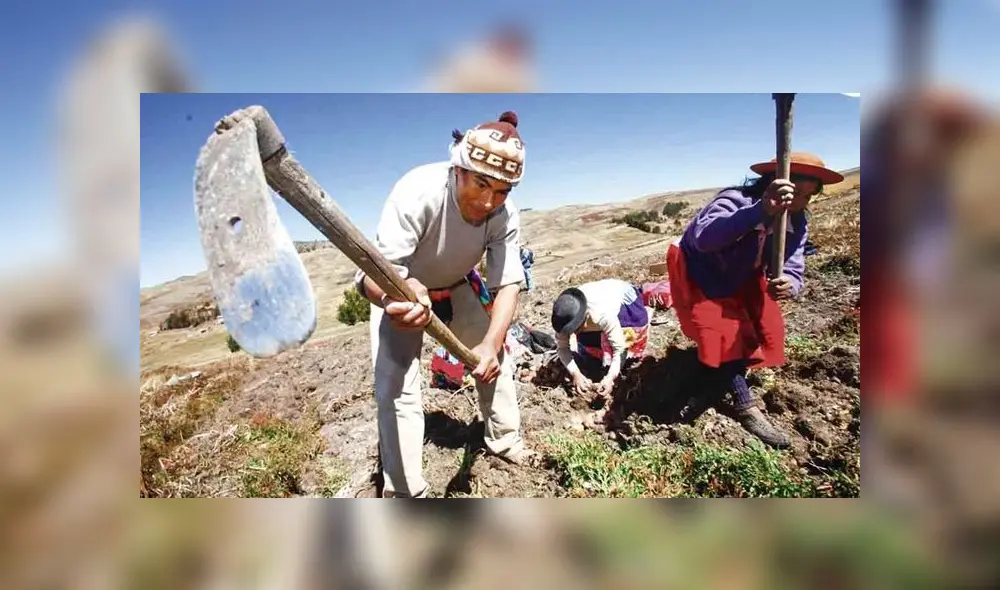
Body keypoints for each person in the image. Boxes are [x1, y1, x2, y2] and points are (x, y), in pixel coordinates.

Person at [353, 110, 535, 498]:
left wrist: (490, 344)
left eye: (502, 191)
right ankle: (403, 493)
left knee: (493, 362)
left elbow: (508, 284)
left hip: (458, 285)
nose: (488, 201)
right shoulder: (417, 192)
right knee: (397, 389)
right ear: (459, 169)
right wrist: (394, 297)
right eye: (481, 184)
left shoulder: (504, 214)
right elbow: (372, 276)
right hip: (401, 294)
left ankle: (505, 441)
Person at [666, 152, 844, 448]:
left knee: (758, 324)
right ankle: (744, 405)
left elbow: (794, 262)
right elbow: (705, 238)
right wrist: (760, 210)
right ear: (772, 184)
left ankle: (719, 376)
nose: (799, 202)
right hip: (704, 271)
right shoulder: (735, 200)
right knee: (721, 330)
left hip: (743, 273)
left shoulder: (796, 220)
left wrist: (791, 282)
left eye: (807, 197)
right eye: (795, 193)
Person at [551, 279, 650, 397]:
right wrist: (575, 374)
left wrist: (610, 378)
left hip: (626, 302)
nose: (573, 332)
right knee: (589, 345)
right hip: (596, 305)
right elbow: (562, 348)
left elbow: (620, 349)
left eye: (577, 328)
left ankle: (617, 365)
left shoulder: (602, 313)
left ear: (585, 316)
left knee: (626, 338)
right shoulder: (563, 316)